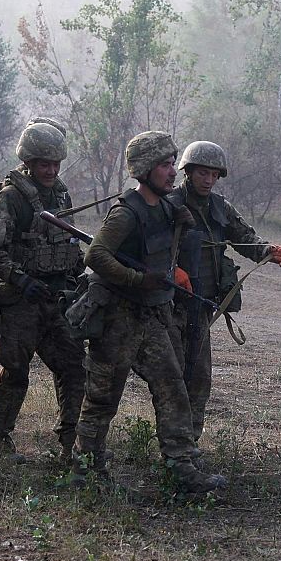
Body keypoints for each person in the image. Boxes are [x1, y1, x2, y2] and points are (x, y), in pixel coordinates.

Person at [70, 131, 226, 493]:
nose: (173, 172)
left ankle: (182, 466)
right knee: (103, 397)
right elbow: (95, 256)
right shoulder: (126, 213)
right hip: (118, 320)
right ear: (145, 169)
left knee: (173, 389)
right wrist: (139, 279)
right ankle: (85, 469)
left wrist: (176, 265)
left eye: (173, 163)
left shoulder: (170, 207)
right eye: (165, 165)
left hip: (155, 318)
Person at [0, 121, 86, 462]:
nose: (50, 170)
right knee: (15, 369)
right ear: (29, 163)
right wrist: (21, 280)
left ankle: (70, 442)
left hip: (57, 298)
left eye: (55, 164)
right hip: (21, 300)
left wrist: (80, 271)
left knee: (74, 366)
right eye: (43, 164)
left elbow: (68, 242)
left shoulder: (61, 195)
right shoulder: (12, 198)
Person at [167, 140, 281, 443]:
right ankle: (169, 442)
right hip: (167, 305)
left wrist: (266, 250)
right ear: (188, 171)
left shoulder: (220, 207)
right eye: (202, 174)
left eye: (214, 175)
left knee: (198, 378)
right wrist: (171, 272)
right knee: (168, 376)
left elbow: (242, 236)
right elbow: (147, 247)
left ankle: (187, 443)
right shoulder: (169, 203)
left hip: (203, 305)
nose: (208, 181)